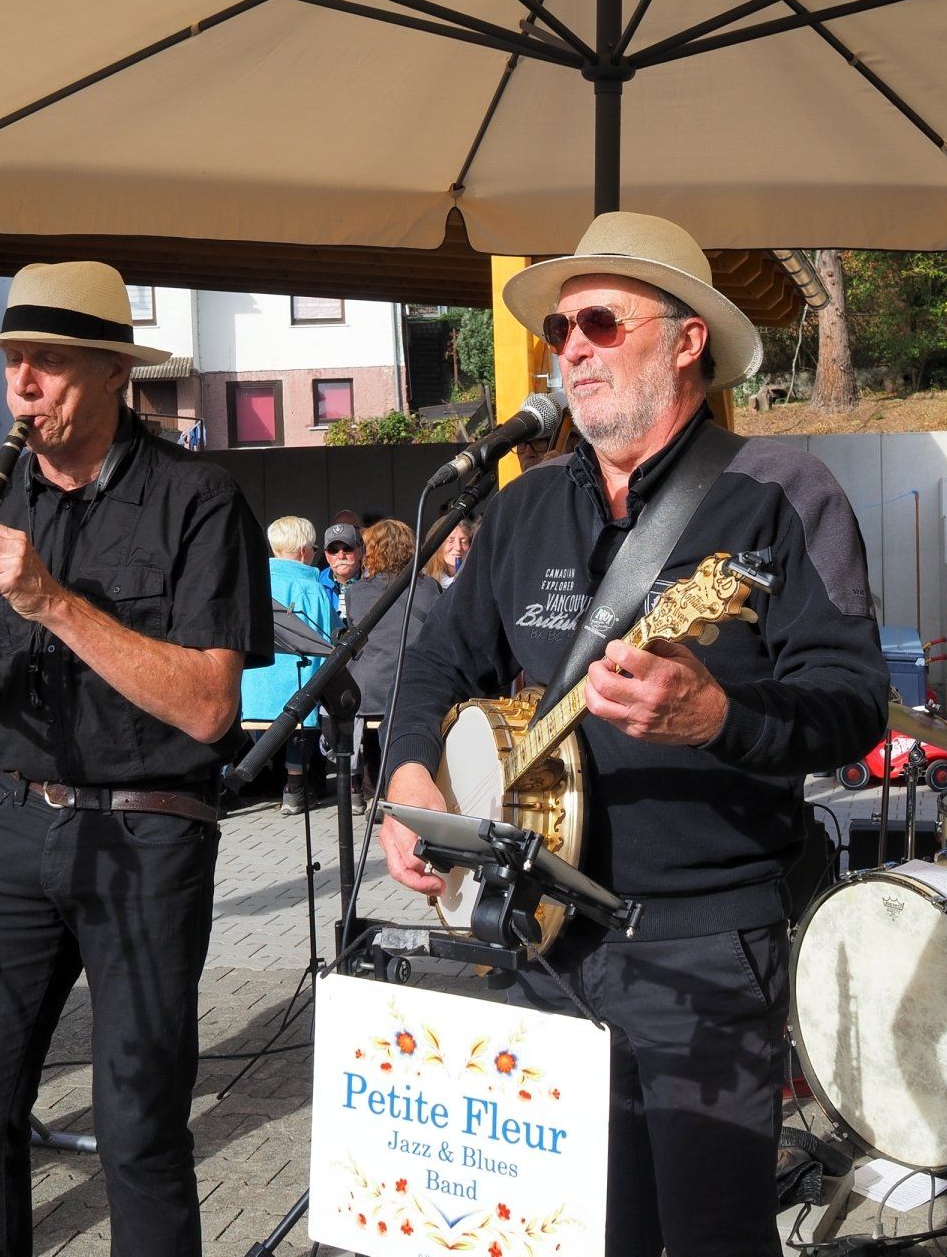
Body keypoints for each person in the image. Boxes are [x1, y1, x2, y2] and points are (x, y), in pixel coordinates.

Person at [379, 211, 888, 1257]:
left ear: (687, 338)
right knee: (565, 1234)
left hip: (706, 943)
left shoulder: (779, 498)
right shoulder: (523, 512)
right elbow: (435, 665)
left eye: (599, 322)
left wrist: (722, 719)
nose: (569, 348)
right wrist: (414, 775)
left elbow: (851, 703)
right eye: (561, 328)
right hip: (541, 934)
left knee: (709, 1237)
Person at [0, 259, 272, 1256]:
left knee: (137, 1128)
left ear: (110, 372)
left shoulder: (199, 500)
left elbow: (213, 708)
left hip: (148, 828)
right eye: (13, 361)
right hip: (8, 823)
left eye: (46, 361)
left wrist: (51, 598)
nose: (22, 384)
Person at [241, 515, 338, 816]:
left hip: (256, 682)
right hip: (298, 678)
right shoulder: (313, 589)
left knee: (259, 725)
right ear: (303, 552)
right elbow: (328, 636)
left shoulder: (254, 582)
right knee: (300, 727)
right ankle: (294, 789)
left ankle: (252, 777)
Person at [349, 519, 441, 813]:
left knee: (370, 727)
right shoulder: (429, 588)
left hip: (373, 689)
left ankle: (373, 794)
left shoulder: (356, 593)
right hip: (413, 683)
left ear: (371, 551)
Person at [318, 521, 364, 624]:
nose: (341, 556)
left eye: (347, 548)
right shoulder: (317, 585)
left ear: (360, 552)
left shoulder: (375, 582)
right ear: (326, 555)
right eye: (333, 550)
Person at [421, 518, 474, 589]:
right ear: (437, 544)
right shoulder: (423, 580)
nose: (458, 548)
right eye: (450, 541)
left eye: (464, 541)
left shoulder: (474, 579)